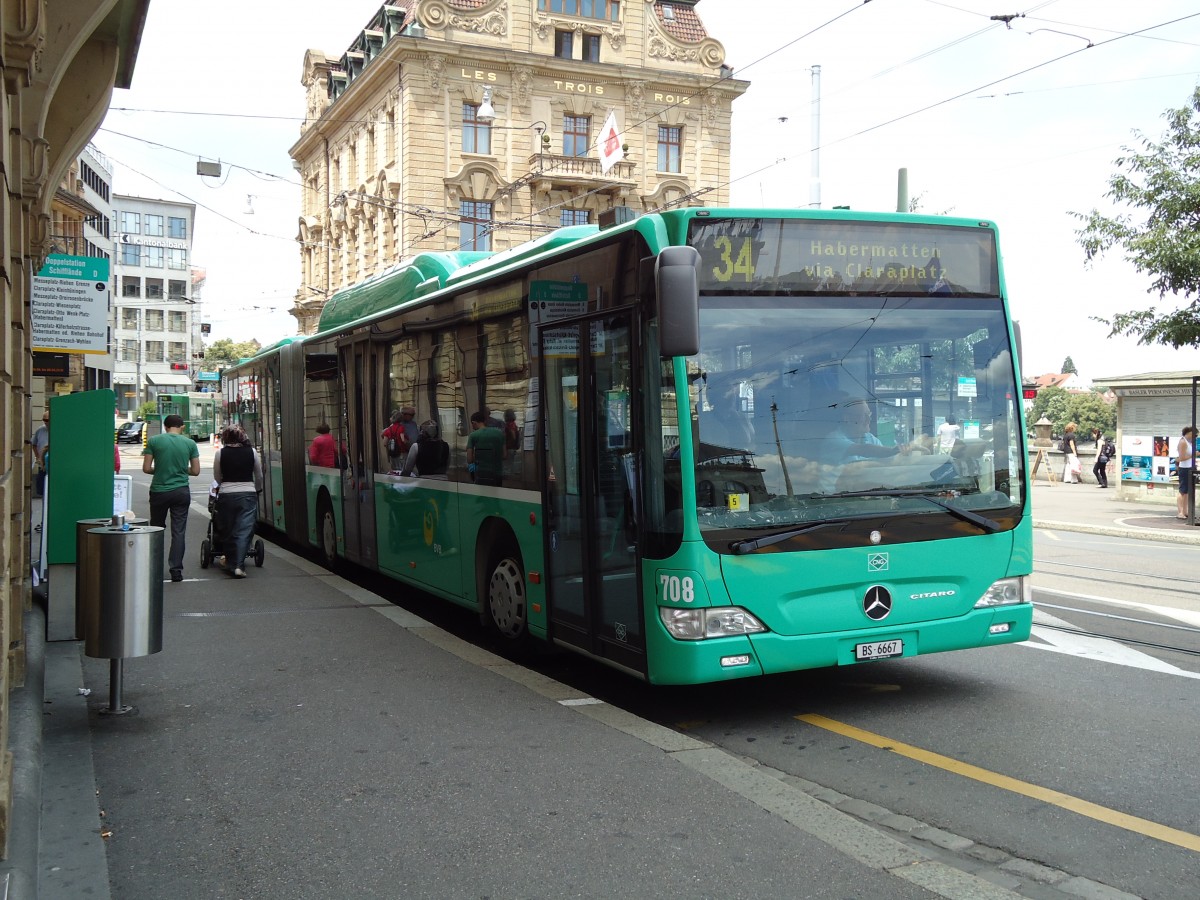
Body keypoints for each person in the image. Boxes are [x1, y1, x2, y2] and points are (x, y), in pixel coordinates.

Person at [143, 413, 201, 582]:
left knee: (156, 529)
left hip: (159, 491)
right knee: (179, 532)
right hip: (181, 492)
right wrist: (181, 471)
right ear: (181, 426)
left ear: (165, 427)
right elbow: (196, 471)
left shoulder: (154, 441)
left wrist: (161, 469)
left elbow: (146, 468)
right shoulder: (190, 443)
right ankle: (176, 570)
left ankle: (153, 567)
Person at [212, 424, 263, 578]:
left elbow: (217, 476)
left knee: (228, 529)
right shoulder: (252, 452)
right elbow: (259, 475)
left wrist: (223, 486)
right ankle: (238, 565)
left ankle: (230, 561)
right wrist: (257, 489)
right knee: (244, 529)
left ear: (225, 437)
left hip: (227, 494)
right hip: (247, 493)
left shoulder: (220, 453)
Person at [466, 410, 505, 486]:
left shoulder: (473, 435)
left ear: (474, 423)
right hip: (497, 474)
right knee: (496, 496)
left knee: (482, 496)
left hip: (481, 474)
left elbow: (469, 459)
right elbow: (504, 455)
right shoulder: (500, 433)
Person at [1176, 425, 1195, 520]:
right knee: (1182, 491)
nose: (1195, 437)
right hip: (1184, 468)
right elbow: (1181, 458)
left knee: (1187, 491)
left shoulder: (1189, 442)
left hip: (1189, 467)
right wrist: (1193, 455)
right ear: (1189, 433)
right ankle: (1180, 512)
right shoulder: (1183, 442)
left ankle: (1185, 511)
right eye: (1194, 435)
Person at [32, 410, 49, 497]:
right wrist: (38, 457)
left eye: (47, 420)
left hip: (53, 464)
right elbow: (34, 444)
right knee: (41, 488)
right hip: (42, 464)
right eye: (44, 420)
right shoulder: (40, 430)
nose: (45, 422)